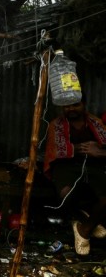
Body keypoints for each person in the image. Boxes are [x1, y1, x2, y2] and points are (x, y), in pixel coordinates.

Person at [44, 97, 106, 255]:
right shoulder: (55, 125)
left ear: (84, 104)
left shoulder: (97, 123)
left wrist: (99, 151)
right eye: (67, 106)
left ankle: (83, 230)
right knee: (65, 195)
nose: (71, 109)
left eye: (75, 105)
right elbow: (53, 152)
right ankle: (89, 222)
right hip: (65, 166)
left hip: (93, 166)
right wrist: (76, 149)